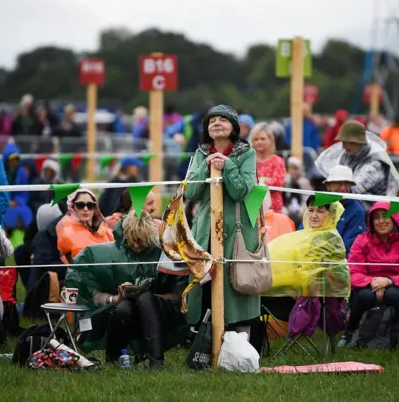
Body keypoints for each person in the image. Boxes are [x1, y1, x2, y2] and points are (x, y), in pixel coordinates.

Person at [65, 211, 187, 368]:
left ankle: (156, 362)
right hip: (121, 312)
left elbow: (179, 296)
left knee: (144, 299)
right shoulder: (108, 255)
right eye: (132, 240)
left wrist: (146, 293)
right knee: (124, 307)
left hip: (161, 314)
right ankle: (114, 357)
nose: (136, 245)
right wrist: (114, 298)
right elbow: (88, 291)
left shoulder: (166, 253)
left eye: (141, 241)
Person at [183, 104, 260, 333]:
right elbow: (190, 192)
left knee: (236, 282)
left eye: (223, 120)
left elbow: (240, 191)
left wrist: (227, 167)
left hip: (237, 230)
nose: (217, 123)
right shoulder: (200, 153)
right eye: (212, 120)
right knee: (204, 282)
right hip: (205, 227)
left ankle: (238, 341)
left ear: (234, 126)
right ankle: (202, 340)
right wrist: (205, 168)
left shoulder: (247, 153)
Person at [340, 202, 399, 350]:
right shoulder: (361, 240)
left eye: (385, 216)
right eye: (376, 217)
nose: (381, 221)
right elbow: (353, 271)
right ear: (371, 221)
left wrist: (389, 281)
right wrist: (372, 282)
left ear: (394, 218)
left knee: (395, 296)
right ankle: (348, 333)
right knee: (364, 296)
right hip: (368, 286)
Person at [316, 120, 399, 210]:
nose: (343, 146)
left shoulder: (375, 163)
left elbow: (355, 188)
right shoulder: (349, 155)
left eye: (347, 142)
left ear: (357, 142)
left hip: (373, 212)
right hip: (353, 205)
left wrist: (332, 190)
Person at [56, 189, 114, 263]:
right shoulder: (67, 232)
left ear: (95, 208)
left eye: (90, 205)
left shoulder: (107, 231)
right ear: (72, 207)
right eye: (80, 205)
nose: (86, 209)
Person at [323, 165, 366, 254]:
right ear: (328, 185)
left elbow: (349, 248)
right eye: (339, 183)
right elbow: (303, 232)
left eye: (347, 184)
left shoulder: (357, 212)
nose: (343, 188)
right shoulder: (316, 205)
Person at [251, 123, 286, 213]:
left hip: (274, 209)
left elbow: (277, 184)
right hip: (252, 206)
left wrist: (258, 181)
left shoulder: (278, 161)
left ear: (271, 140)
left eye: (262, 139)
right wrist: (266, 180)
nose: (259, 142)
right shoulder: (249, 161)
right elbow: (246, 182)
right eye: (256, 139)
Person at [1, 144, 33, 234]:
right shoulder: (0, 172)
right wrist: (7, 202)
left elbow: (24, 192)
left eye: (16, 159)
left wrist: (18, 201)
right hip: (2, 203)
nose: (14, 162)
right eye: (12, 159)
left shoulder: (22, 172)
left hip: (18, 203)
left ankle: (24, 240)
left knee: (26, 212)